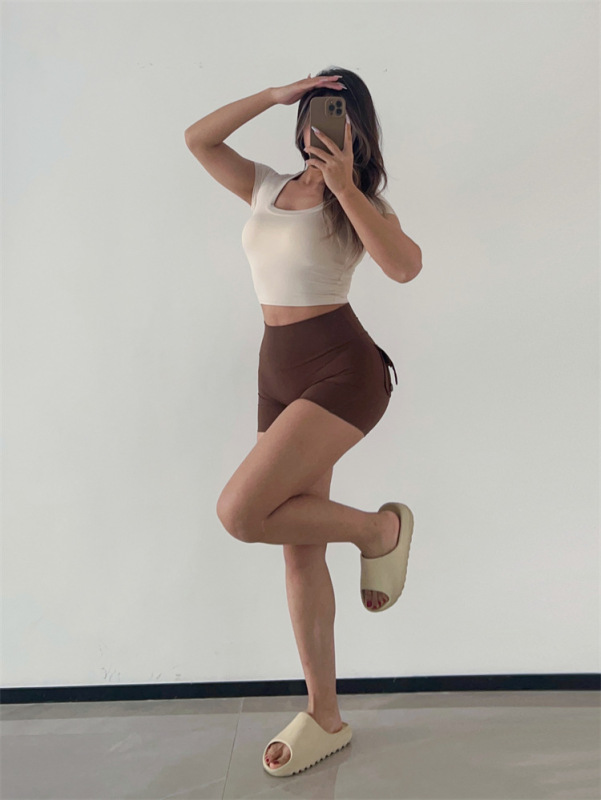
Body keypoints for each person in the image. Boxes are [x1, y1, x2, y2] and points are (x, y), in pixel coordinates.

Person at [184, 68, 422, 778]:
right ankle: (326, 716)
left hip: (341, 370)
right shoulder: (265, 186)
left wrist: (346, 187)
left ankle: (379, 532)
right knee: (297, 549)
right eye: (316, 108)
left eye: (338, 111)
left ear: (359, 128)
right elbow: (198, 140)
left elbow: (406, 267)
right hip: (277, 373)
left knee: (240, 512)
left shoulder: (361, 203)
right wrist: (272, 94)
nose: (323, 121)